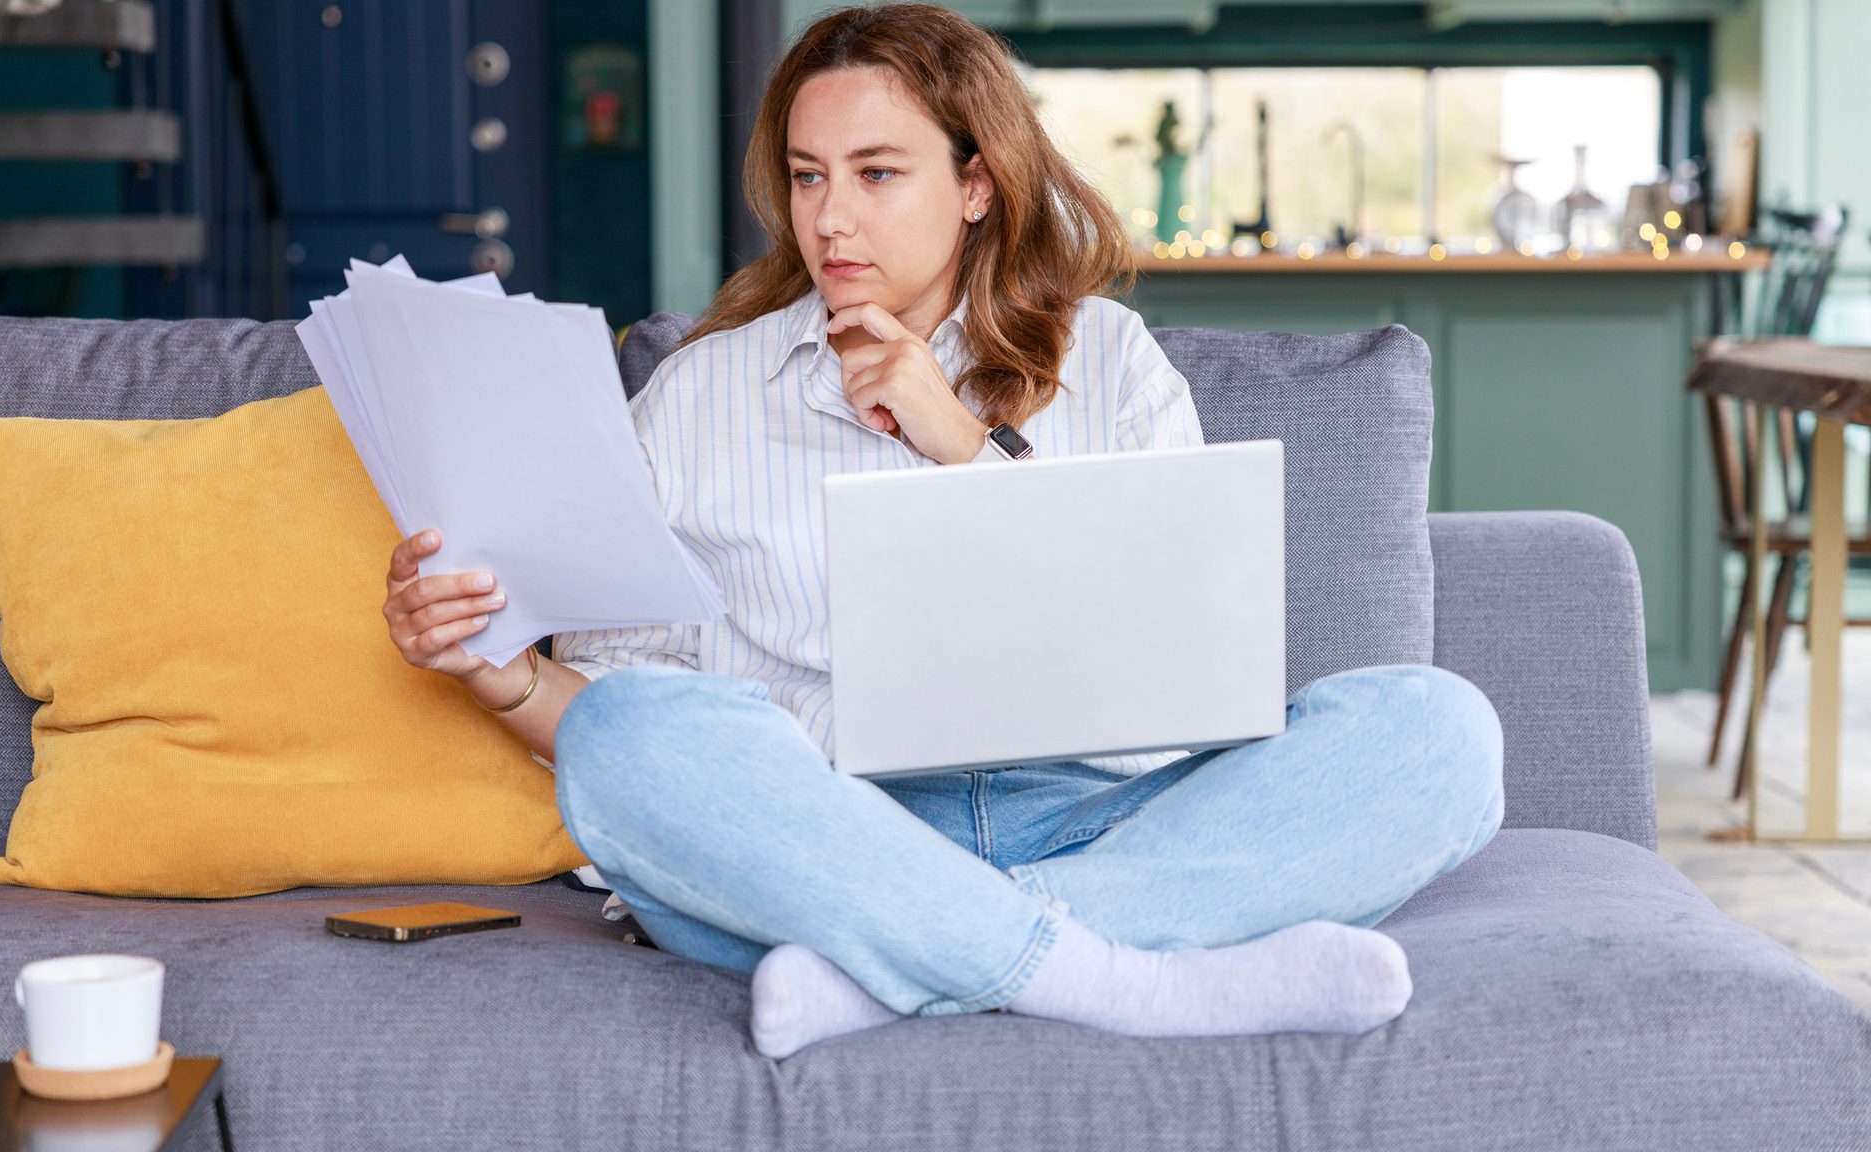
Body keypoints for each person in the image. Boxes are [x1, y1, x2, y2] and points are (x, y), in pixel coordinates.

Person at [381, 3, 1504, 1060]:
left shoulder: (1108, 359)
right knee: (628, 736)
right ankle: (1127, 973)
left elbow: (1170, 649)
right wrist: (501, 675)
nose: (829, 218)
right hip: (826, 839)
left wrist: (960, 441)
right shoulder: (695, 395)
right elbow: (629, 726)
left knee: (1439, 729)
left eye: (876, 175)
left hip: (1108, 819)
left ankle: (901, 969)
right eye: (809, 176)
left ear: (976, 184)